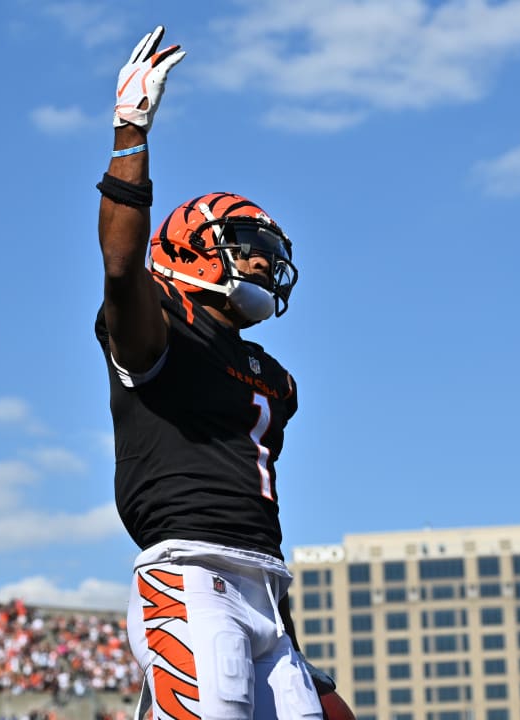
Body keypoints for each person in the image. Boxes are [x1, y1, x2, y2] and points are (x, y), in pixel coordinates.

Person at [94, 25, 343, 720]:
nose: (262, 261)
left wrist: (292, 639)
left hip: (265, 587)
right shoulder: (159, 326)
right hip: (190, 576)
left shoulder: (274, 376)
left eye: (269, 251)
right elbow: (120, 265)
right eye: (245, 246)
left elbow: (256, 514)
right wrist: (130, 130)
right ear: (190, 249)